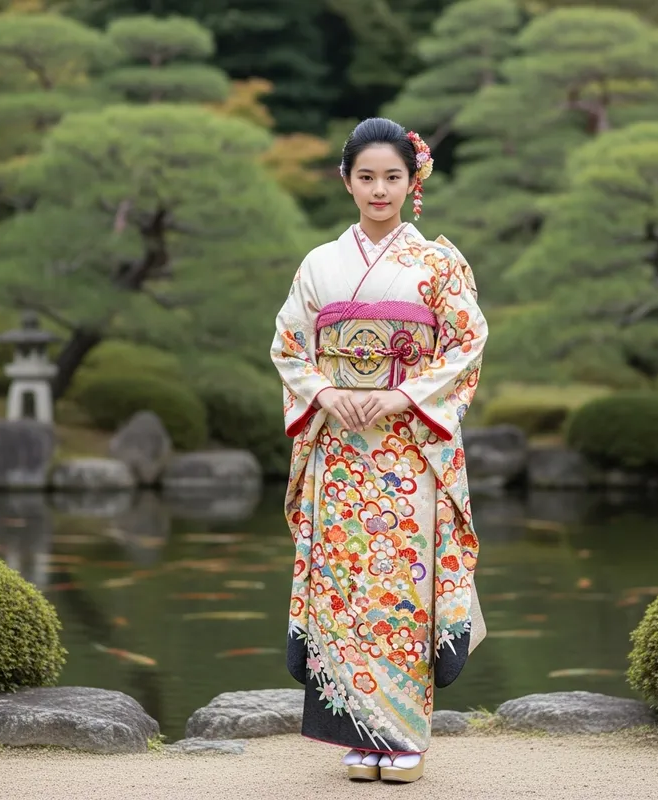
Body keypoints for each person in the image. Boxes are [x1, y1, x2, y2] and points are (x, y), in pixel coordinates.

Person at [270, 117, 487, 784]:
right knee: (344, 585)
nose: (379, 189)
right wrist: (327, 396)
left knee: (401, 584)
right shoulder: (320, 264)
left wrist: (402, 398)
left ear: (412, 181)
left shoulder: (438, 264)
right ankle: (358, 733)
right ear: (346, 181)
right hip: (339, 449)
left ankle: (403, 734)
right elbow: (288, 345)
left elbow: (466, 343)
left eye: (392, 176)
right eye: (366, 176)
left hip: (403, 449)